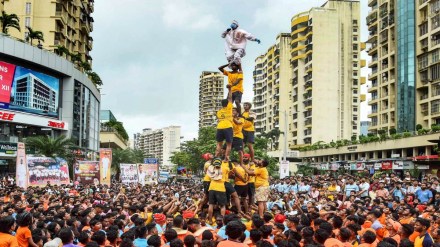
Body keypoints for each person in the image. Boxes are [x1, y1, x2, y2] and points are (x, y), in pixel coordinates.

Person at [215, 85, 233, 161]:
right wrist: (230, 89)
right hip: (228, 126)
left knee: (219, 144)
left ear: (221, 104)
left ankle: (216, 157)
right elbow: (230, 98)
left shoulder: (219, 112)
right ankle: (226, 158)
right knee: (229, 144)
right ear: (227, 104)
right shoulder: (229, 108)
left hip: (219, 127)